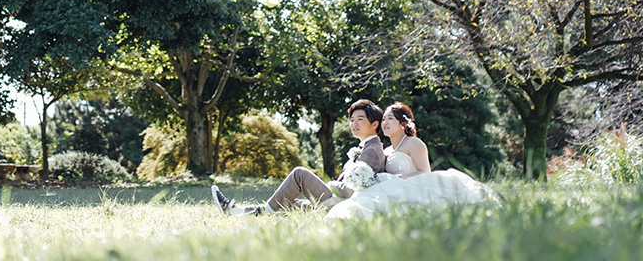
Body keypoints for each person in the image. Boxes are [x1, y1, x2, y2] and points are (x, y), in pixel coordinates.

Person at [211, 99, 386, 216]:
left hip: (342, 205)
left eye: (360, 119)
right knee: (288, 203)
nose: (354, 124)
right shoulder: (365, 147)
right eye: (352, 119)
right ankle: (236, 211)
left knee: (300, 174)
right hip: (337, 201)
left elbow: (353, 190)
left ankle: (260, 211)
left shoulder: (372, 150)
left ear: (375, 124)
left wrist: (331, 184)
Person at [326, 101, 498, 219]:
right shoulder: (385, 151)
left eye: (390, 118)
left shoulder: (414, 143)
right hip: (392, 188)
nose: (385, 122)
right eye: (383, 119)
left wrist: (398, 179)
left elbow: (425, 172)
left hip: (414, 186)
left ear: (402, 123)